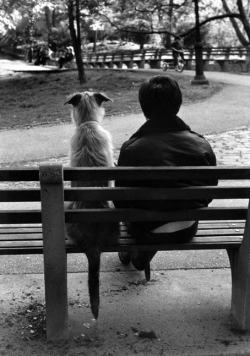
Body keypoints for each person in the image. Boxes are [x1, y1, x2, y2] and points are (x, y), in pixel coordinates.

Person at [115, 75, 218, 271]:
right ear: (178, 103)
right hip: (187, 229)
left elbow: (121, 201)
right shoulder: (201, 144)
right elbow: (209, 192)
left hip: (145, 229)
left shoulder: (131, 149)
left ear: (143, 108)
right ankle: (142, 252)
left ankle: (138, 250)